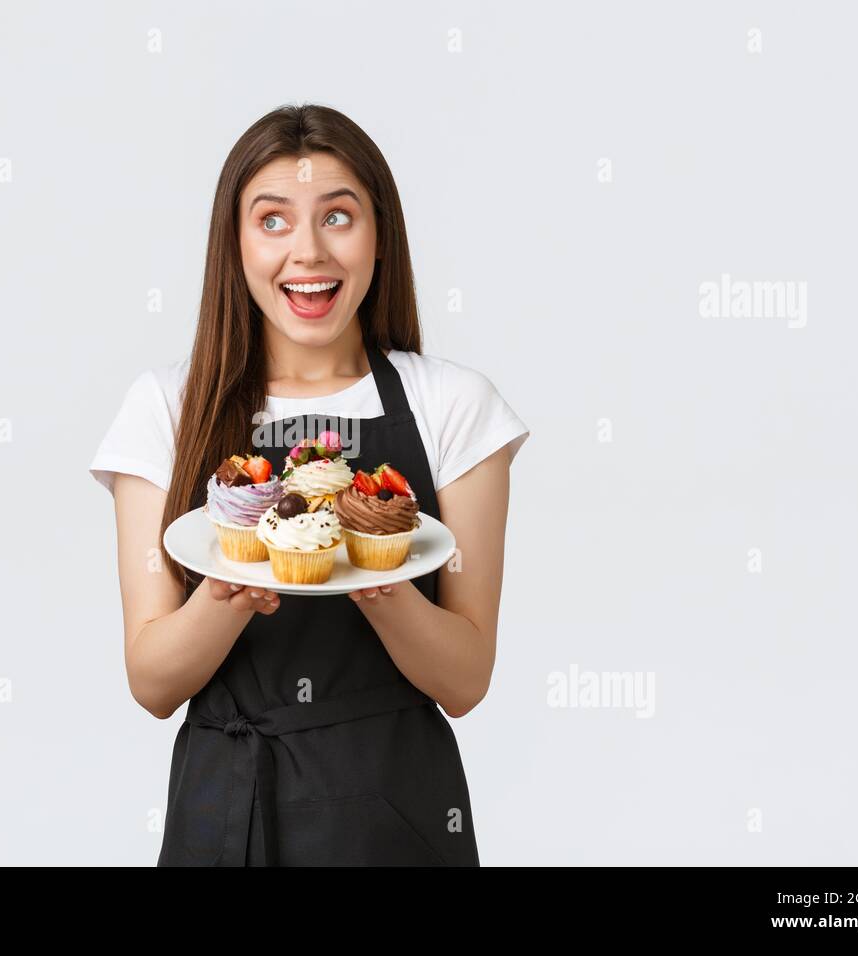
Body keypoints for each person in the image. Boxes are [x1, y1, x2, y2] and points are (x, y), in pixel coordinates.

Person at [90, 103, 529, 865]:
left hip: (394, 810)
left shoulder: (453, 405)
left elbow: (464, 680)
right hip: (223, 803)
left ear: (379, 237)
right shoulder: (164, 407)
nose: (307, 252)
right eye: (272, 221)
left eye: (337, 216)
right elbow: (153, 682)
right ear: (233, 245)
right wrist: (230, 589)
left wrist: (374, 576)